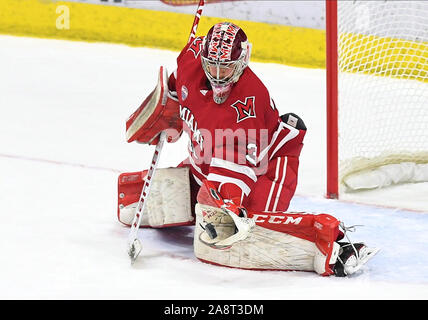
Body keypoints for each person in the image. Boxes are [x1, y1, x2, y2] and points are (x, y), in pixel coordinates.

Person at [118, 22, 378, 277]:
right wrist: (167, 104)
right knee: (133, 203)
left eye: (227, 68)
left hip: (266, 168)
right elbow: (178, 87)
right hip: (208, 161)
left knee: (232, 236)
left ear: (243, 60)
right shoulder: (190, 59)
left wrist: (227, 204)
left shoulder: (248, 103)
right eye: (212, 66)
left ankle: (331, 245)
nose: (218, 75)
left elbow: (236, 166)